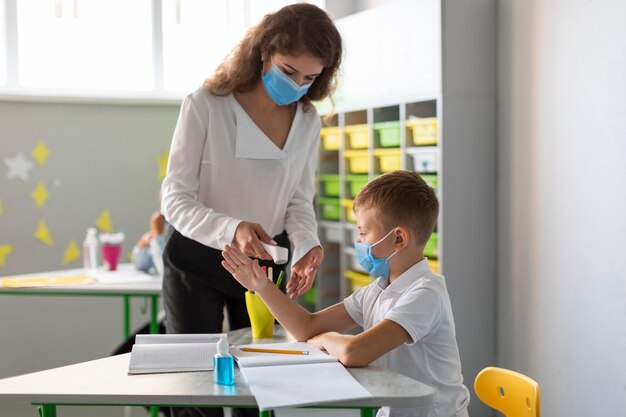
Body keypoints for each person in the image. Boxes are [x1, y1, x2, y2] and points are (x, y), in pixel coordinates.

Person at [160, 4, 342, 417]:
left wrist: (307, 242)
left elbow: (298, 200)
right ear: (264, 51)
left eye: (310, 78)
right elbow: (174, 198)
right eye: (288, 70)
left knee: (261, 382)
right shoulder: (206, 104)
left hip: (263, 262)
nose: (297, 85)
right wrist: (232, 227)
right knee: (192, 389)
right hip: (197, 257)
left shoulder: (308, 120)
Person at [222, 170, 470, 417]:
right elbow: (307, 327)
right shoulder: (379, 289)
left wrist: (324, 339)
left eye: (363, 232)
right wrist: (262, 287)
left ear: (398, 238)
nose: (358, 240)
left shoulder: (425, 293)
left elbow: (354, 352)